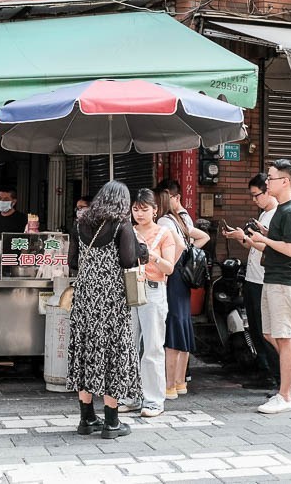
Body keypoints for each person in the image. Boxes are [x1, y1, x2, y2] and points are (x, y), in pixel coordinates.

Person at [66, 181, 142, 439]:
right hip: (111, 300)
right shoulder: (122, 225)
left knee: (86, 351)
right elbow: (128, 260)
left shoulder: (80, 224)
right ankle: (111, 423)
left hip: (85, 297)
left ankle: (86, 419)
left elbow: (72, 261)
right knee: (112, 354)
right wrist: (142, 250)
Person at [247, 159, 291, 414]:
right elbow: (281, 243)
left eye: (271, 178)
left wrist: (264, 239)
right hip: (274, 279)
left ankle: (285, 396)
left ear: (285, 182)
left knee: (284, 338)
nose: (267, 182)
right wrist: (265, 235)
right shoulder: (282, 210)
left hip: (286, 282)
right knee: (271, 335)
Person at [119, 188, 176, 418]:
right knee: (128, 345)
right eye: (135, 209)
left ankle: (153, 400)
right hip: (129, 288)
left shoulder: (164, 234)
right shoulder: (126, 231)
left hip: (153, 290)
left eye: (144, 209)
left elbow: (169, 268)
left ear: (155, 210)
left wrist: (151, 256)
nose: (139, 214)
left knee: (152, 347)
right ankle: (130, 396)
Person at [222, 173, 279, 387]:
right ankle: (263, 370)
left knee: (266, 329)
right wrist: (240, 238)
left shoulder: (277, 216)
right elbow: (254, 246)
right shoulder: (263, 215)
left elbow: (269, 247)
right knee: (255, 327)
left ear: (268, 190)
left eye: (257, 195)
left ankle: (273, 374)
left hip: (265, 280)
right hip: (253, 278)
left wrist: (245, 237)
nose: (254, 200)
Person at [156, 189, 210, 400]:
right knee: (182, 323)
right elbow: (203, 237)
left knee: (174, 325)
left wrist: (171, 265)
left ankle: (169, 385)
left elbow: (178, 245)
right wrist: (187, 256)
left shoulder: (163, 221)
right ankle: (179, 383)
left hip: (174, 278)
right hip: (183, 279)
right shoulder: (180, 219)